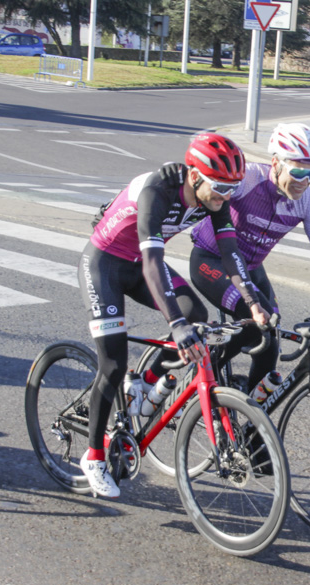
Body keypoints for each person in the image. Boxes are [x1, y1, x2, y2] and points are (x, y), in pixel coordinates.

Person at [77, 133, 268, 498]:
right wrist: (175, 325)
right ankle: (94, 456)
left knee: (197, 315)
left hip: (141, 265)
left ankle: (145, 382)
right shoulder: (158, 189)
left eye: (233, 188)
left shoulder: (216, 199)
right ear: (194, 176)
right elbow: (153, 263)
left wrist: (252, 301)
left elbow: (231, 255)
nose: (225, 196)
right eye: (218, 186)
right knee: (113, 364)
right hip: (106, 264)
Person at [187, 123, 310, 396]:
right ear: (275, 163)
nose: (304, 181)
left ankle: (252, 428)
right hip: (210, 260)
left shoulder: (308, 202)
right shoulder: (247, 180)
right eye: (298, 171)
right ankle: (198, 380)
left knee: (271, 341)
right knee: (255, 322)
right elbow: (203, 181)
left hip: (251, 269)